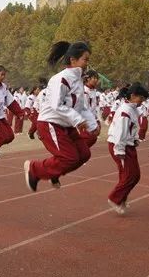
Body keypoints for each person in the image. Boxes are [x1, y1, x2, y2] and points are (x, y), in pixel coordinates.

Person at [24, 41, 98, 191]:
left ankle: (53, 173)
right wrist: (77, 120)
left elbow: (81, 107)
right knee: (69, 157)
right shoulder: (60, 79)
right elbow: (56, 105)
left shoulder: (77, 81)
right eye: (85, 59)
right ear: (73, 60)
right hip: (51, 123)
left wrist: (93, 125)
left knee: (84, 154)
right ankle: (34, 168)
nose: (87, 64)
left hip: (66, 125)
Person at [106, 83, 149, 214]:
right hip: (119, 145)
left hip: (128, 145)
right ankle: (114, 199)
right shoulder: (125, 111)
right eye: (141, 98)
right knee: (129, 175)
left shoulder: (133, 109)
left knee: (134, 175)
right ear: (133, 96)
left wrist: (135, 139)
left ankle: (121, 198)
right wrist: (119, 150)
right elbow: (120, 132)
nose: (142, 101)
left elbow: (133, 127)